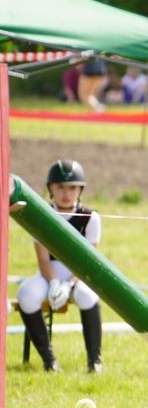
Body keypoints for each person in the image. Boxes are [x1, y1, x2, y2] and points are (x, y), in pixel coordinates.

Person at [16, 159, 104, 373]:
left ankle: (95, 361)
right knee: (25, 294)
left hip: (80, 274)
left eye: (72, 188)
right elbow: (43, 259)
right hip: (50, 273)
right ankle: (49, 361)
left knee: (87, 296)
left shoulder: (90, 217)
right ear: (50, 189)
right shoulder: (41, 215)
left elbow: (88, 261)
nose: (66, 193)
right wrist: (55, 281)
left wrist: (69, 284)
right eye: (60, 187)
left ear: (80, 190)